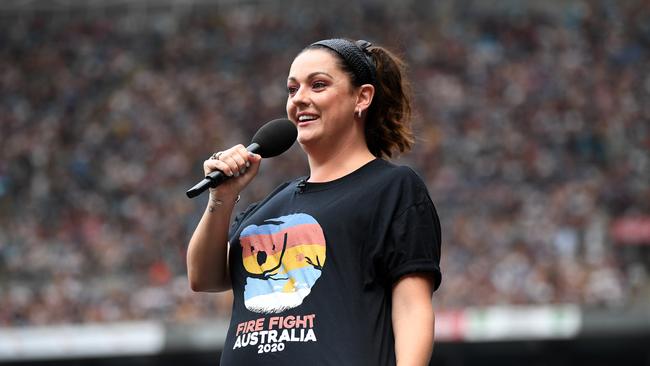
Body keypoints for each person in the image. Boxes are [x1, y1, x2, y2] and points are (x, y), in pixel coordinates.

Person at [187, 38, 442, 366]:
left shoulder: (392, 188)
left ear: (362, 97)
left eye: (318, 85)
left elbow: (411, 309)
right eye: (292, 90)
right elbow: (204, 277)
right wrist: (221, 197)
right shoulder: (271, 205)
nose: (299, 100)